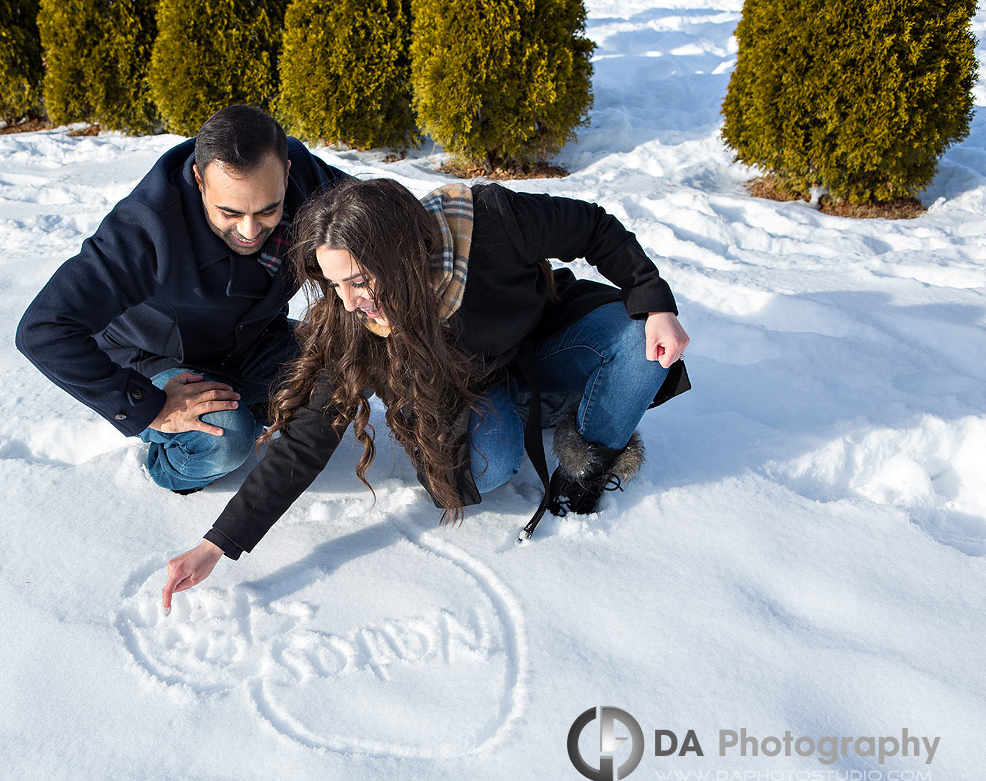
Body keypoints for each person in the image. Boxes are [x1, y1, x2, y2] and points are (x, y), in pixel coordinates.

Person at [160, 178, 691, 606]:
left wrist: (656, 302)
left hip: (540, 346)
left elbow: (595, 228)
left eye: (361, 281)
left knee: (642, 341)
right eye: (334, 284)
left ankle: (586, 465)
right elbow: (307, 439)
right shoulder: (352, 320)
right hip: (469, 397)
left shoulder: (492, 223)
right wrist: (218, 545)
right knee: (485, 467)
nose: (347, 302)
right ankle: (553, 409)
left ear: (402, 256)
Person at [16, 106, 348, 493]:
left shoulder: (307, 176)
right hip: (160, 361)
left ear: (286, 173)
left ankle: (258, 402)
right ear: (199, 179)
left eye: (268, 209)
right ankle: (174, 461)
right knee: (225, 442)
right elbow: (42, 329)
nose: (249, 229)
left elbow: (383, 218)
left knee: (345, 362)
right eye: (229, 212)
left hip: (255, 342)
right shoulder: (145, 227)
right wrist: (151, 407)